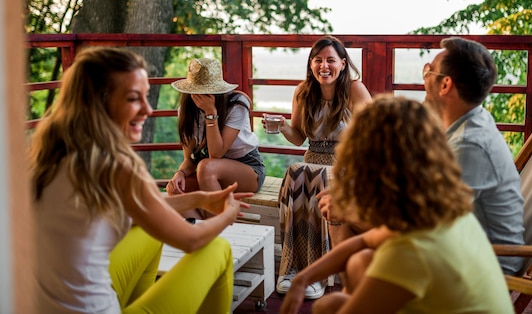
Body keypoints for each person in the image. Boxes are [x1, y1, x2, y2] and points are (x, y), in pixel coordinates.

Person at [32, 47, 252, 314]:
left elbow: (141, 208)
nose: (148, 109)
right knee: (217, 248)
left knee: (147, 233)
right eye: (134, 99)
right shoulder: (120, 167)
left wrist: (198, 198)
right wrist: (229, 214)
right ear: (100, 101)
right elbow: (191, 240)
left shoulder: (44, 154)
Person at [280, 95, 514, 314]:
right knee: (348, 278)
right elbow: (364, 240)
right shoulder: (437, 209)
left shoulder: (409, 253)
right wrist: (302, 279)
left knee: (329, 305)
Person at [266, 35, 371, 299]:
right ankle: (291, 268)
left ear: (343, 64)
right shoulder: (303, 91)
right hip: (313, 160)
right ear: (311, 64)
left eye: (330, 60)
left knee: (309, 178)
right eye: (318, 60)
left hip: (347, 164)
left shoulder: (354, 89)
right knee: (297, 173)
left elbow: (373, 133)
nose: (324, 66)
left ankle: (317, 273)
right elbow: (298, 137)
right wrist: (281, 127)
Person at [423, 36, 525, 276]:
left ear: (445, 85)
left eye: (429, 71)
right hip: (463, 243)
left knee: (356, 230)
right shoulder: (470, 118)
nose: (425, 77)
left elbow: (428, 221)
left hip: (486, 263)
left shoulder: (469, 145)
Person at [166, 57, 266, 217]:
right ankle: (204, 232)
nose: (203, 94)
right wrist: (180, 174)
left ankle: (216, 228)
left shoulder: (237, 105)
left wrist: (210, 113)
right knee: (175, 189)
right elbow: (189, 159)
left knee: (206, 166)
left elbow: (216, 154)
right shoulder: (186, 112)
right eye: (198, 90)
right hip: (206, 172)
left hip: (247, 168)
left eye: (209, 89)